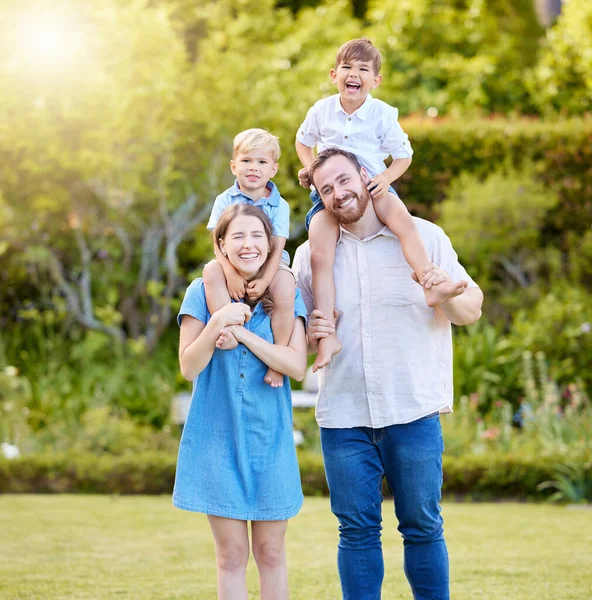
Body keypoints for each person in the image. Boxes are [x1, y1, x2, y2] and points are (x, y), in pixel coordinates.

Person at [292, 148, 484, 600]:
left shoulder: (424, 238)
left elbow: (470, 309)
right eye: (326, 190)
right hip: (344, 416)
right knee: (356, 531)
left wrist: (443, 295)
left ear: (364, 175)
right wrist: (310, 333)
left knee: (422, 526)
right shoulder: (310, 256)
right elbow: (294, 337)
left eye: (344, 180)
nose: (339, 193)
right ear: (320, 199)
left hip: (412, 411)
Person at [296, 37, 465, 373]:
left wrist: (386, 178)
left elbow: (404, 156)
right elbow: (303, 143)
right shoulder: (321, 110)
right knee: (319, 255)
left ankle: (429, 282)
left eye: (363, 69)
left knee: (404, 225)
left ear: (376, 81)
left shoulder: (382, 114)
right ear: (334, 74)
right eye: (346, 67)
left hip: (373, 187)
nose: (353, 74)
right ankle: (327, 334)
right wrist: (312, 171)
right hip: (332, 194)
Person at [175, 204, 308, 600]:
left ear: (270, 245)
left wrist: (245, 334)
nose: (248, 244)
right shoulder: (201, 292)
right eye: (237, 236)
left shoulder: (285, 293)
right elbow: (188, 366)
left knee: (271, 552)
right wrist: (218, 321)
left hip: (270, 440)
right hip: (218, 438)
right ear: (221, 245)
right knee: (231, 555)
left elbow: (296, 366)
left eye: (256, 236)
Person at [204, 128, 294, 388]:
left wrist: (266, 279)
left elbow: (277, 247)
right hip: (232, 260)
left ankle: (278, 359)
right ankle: (229, 330)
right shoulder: (225, 199)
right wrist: (230, 273)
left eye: (262, 162)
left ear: (273, 170)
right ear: (234, 166)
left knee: (286, 286)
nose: (253, 168)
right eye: (246, 161)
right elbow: (217, 242)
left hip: (270, 264)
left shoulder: (280, 205)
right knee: (211, 272)